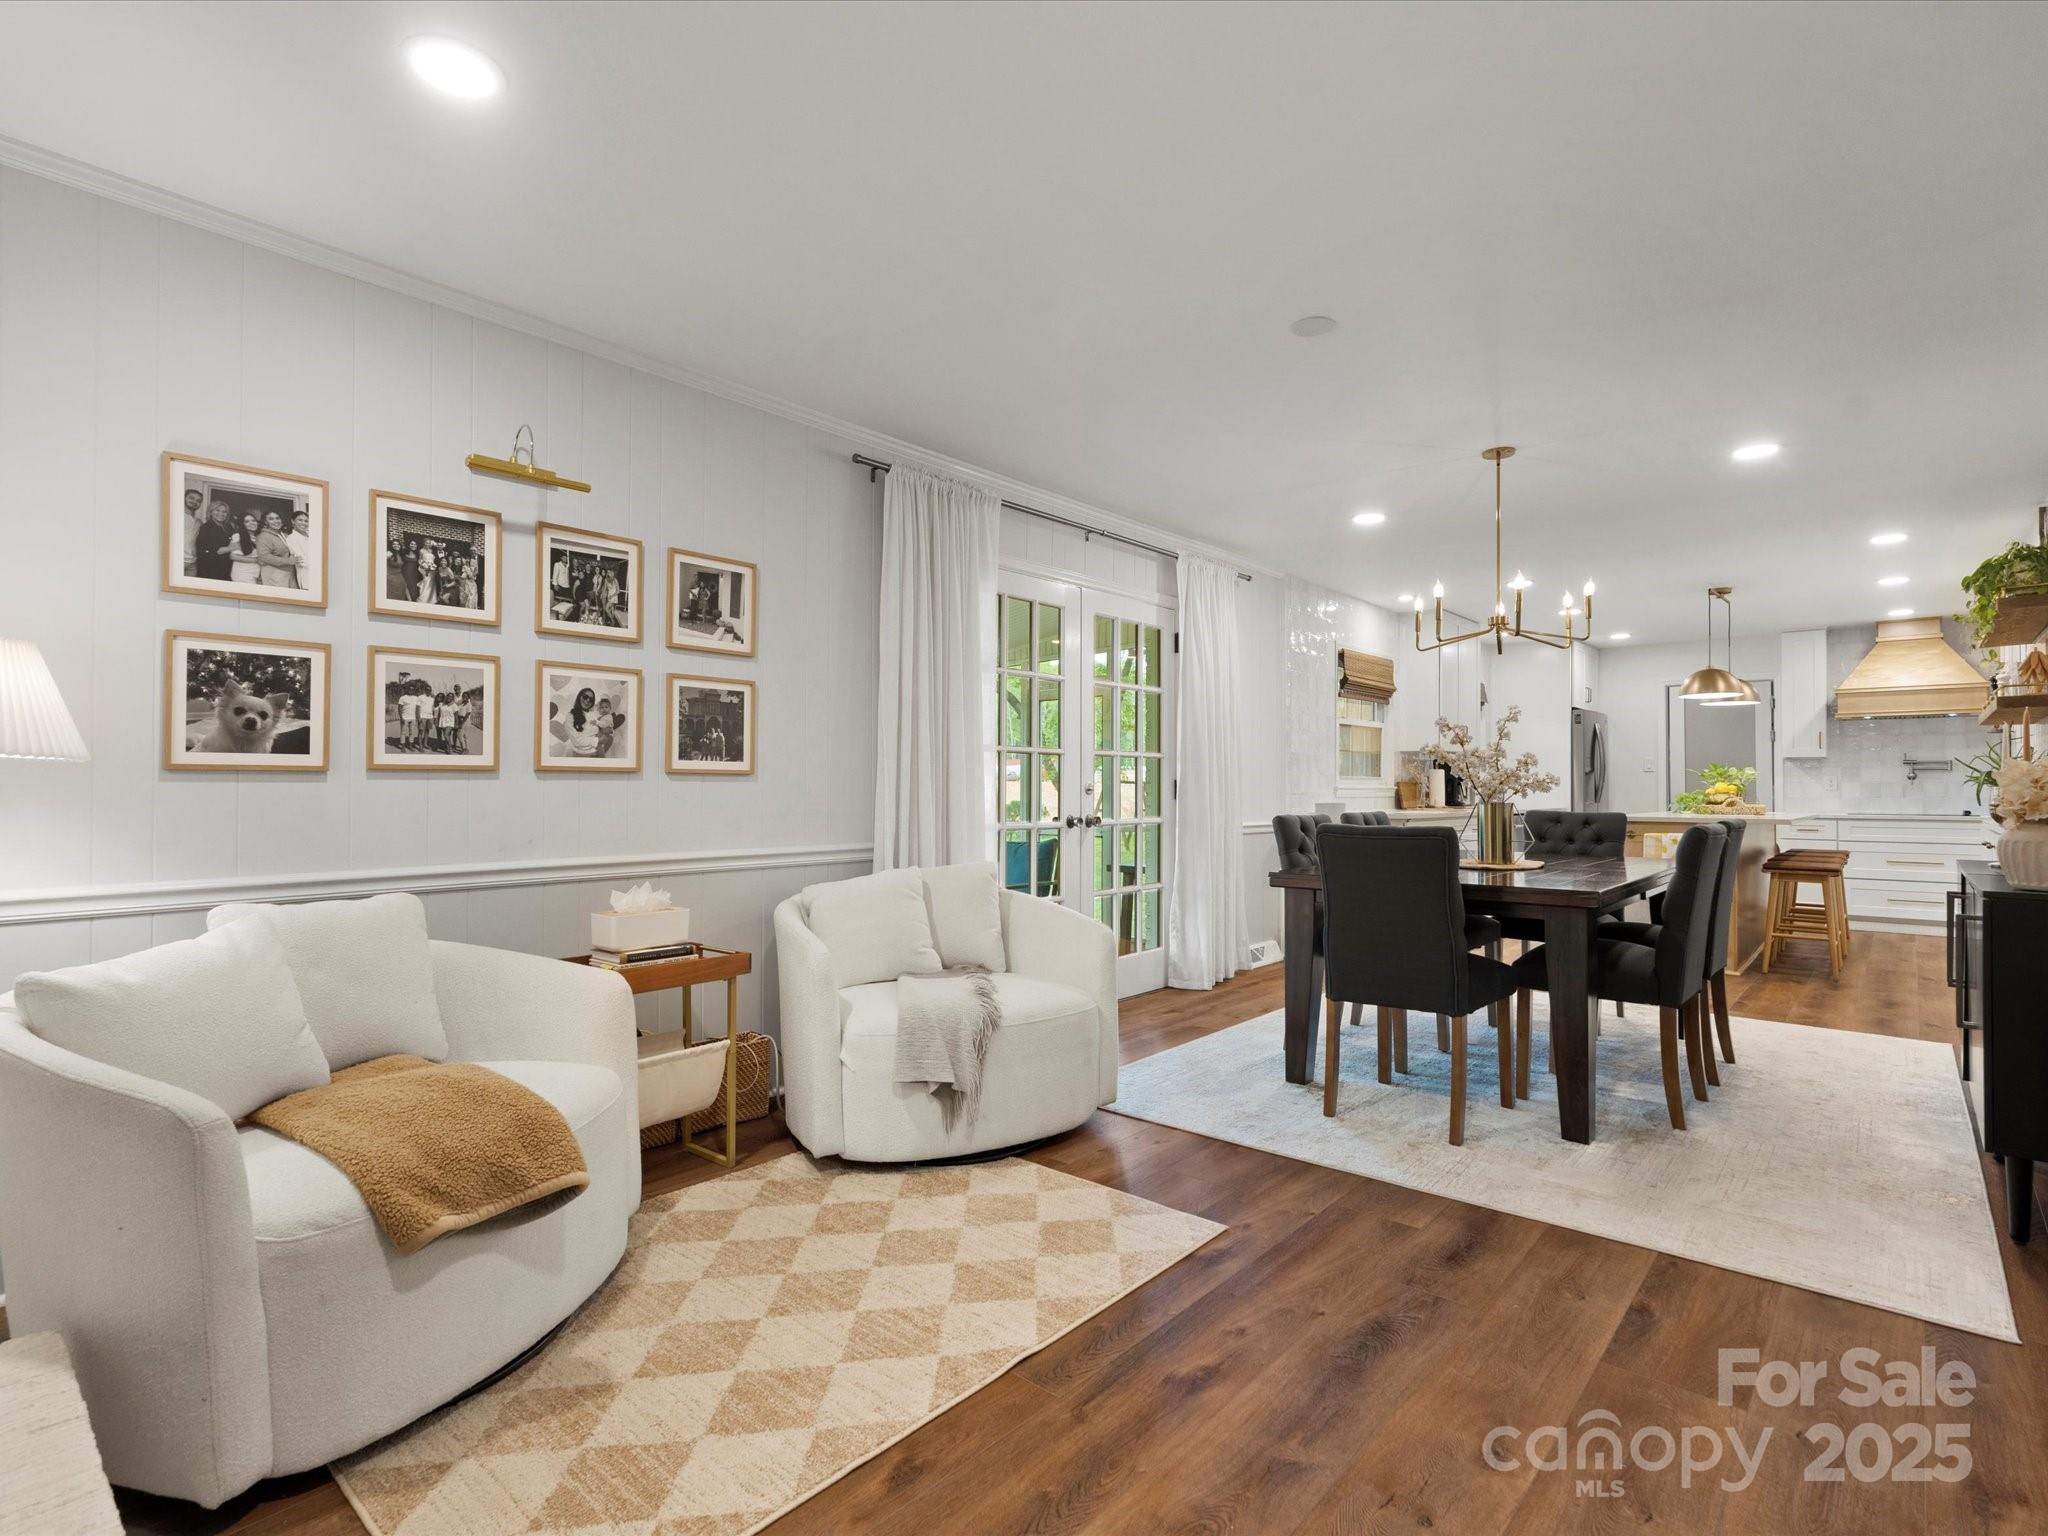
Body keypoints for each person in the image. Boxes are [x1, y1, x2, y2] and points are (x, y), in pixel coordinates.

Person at [193, 501, 234, 582]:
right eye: (217, 510)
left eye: (224, 511)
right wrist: (232, 547)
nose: (221, 513)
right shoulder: (206, 528)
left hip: (226, 567)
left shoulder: (228, 527)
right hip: (210, 569)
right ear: (210, 512)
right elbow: (216, 550)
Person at [254, 509, 295, 588]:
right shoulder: (263, 536)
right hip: (274, 574)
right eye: (271, 519)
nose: (276, 521)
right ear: (266, 522)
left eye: (277, 518)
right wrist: (288, 561)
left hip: (288, 572)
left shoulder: (283, 534)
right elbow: (264, 556)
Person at [229, 511, 263, 584]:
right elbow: (233, 556)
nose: (252, 523)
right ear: (243, 524)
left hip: (254, 573)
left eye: (253, 520)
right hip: (242, 573)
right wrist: (256, 560)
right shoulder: (237, 536)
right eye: (247, 522)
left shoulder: (258, 537)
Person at [181, 487, 205, 574]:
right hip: (178, 561)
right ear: (183, 498)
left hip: (192, 563)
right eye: (191, 498)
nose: (195, 502)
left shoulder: (198, 522)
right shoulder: (175, 515)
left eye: (198, 501)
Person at [286, 509, 312, 591]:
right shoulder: (291, 538)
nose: (303, 523)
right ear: (293, 521)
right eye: (300, 520)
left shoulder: (311, 534)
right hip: (306, 576)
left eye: (306, 521)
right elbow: (300, 560)